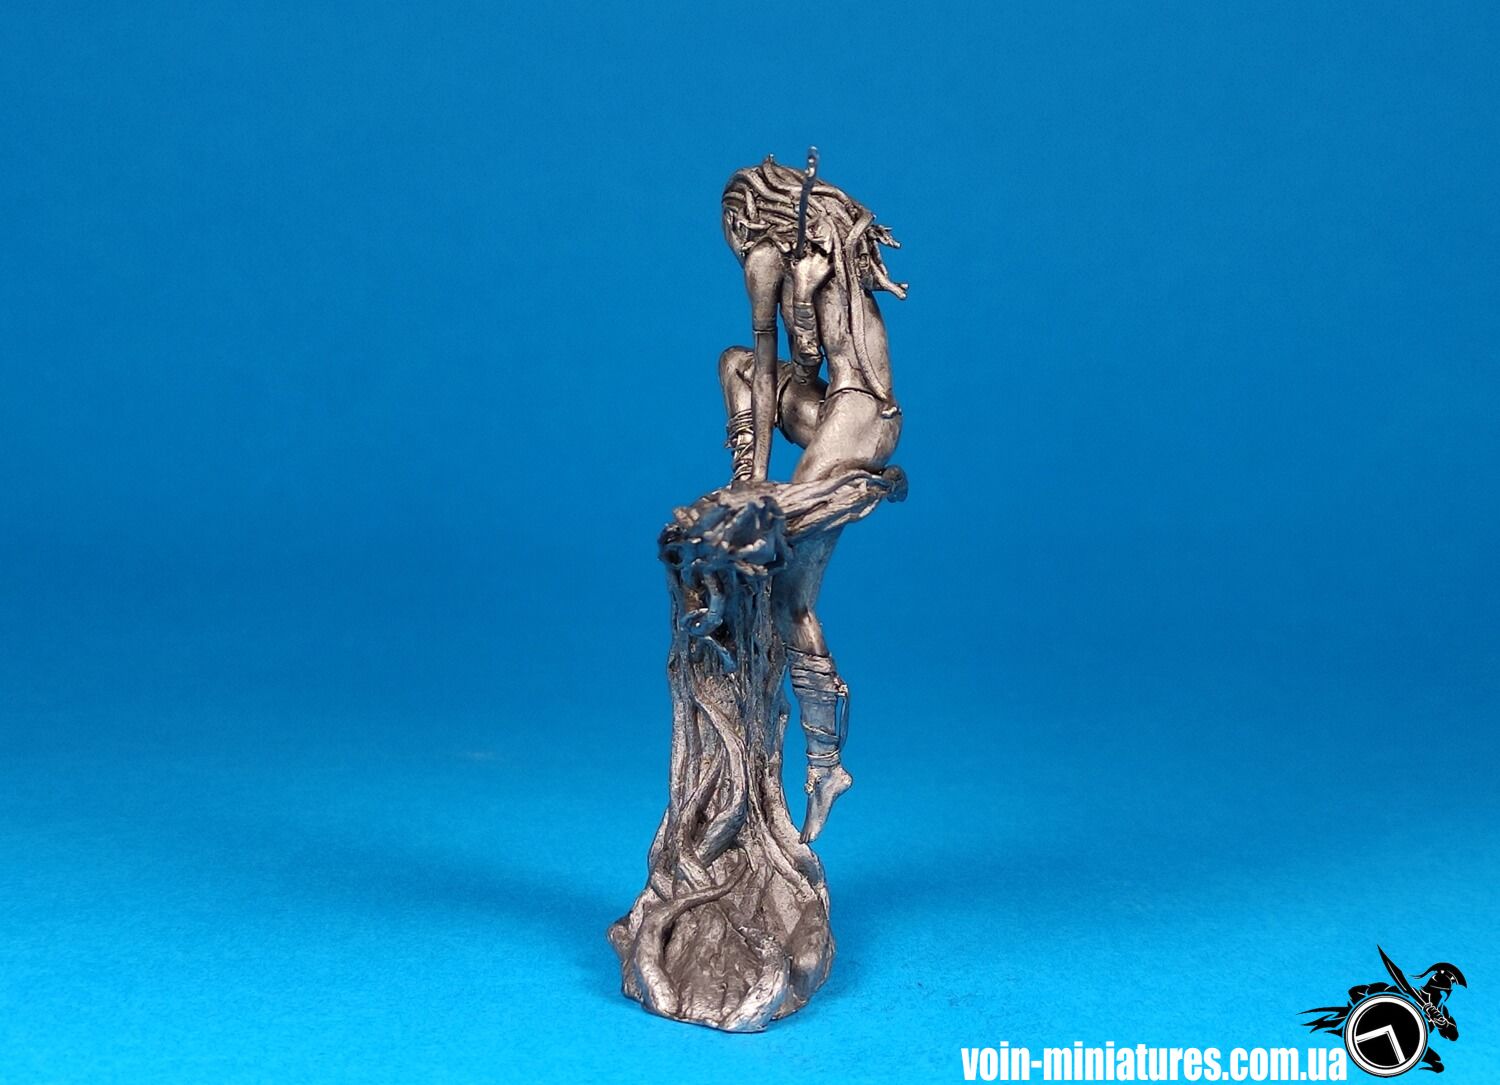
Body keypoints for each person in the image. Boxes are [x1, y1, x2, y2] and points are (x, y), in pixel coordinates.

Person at [716, 152, 907, 842]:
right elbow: (794, 365)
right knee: (735, 364)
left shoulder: (770, 257)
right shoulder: (826, 247)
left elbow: (783, 367)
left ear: (745, 216)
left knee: (791, 599)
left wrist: (798, 297)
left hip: (857, 417)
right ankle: (748, 481)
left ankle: (826, 763)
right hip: (849, 409)